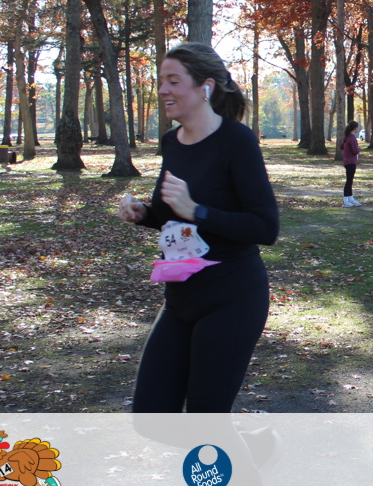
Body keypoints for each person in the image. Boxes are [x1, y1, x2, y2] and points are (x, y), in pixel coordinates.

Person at [118, 42, 279, 413]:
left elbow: (265, 227)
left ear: (205, 87)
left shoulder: (236, 141)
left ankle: (247, 450)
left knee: (205, 422)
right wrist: (143, 213)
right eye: (162, 80)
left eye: (174, 81)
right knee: (150, 414)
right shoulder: (171, 142)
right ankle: (252, 442)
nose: (163, 90)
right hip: (179, 298)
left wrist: (197, 210)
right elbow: (171, 215)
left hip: (232, 298)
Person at [341, 120, 362, 207]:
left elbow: (341, 147)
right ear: (355, 128)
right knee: (349, 181)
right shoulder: (352, 138)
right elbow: (355, 150)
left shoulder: (347, 137)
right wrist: (359, 150)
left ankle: (350, 198)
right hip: (351, 161)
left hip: (347, 161)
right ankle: (346, 200)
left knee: (350, 180)